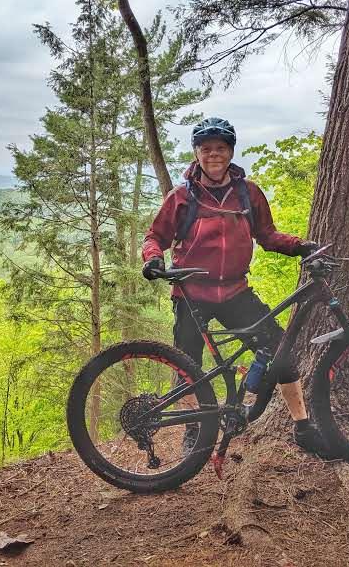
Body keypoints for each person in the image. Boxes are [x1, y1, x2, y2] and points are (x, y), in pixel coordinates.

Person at [141, 117, 330, 457]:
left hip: (234, 292)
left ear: (230, 152)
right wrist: (153, 258)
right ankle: (193, 429)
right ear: (197, 153)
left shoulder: (248, 192)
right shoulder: (181, 197)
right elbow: (155, 236)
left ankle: (303, 426)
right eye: (206, 148)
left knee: (280, 350)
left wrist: (300, 246)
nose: (214, 154)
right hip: (190, 292)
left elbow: (268, 235)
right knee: (189, 365)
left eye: (221, 148)